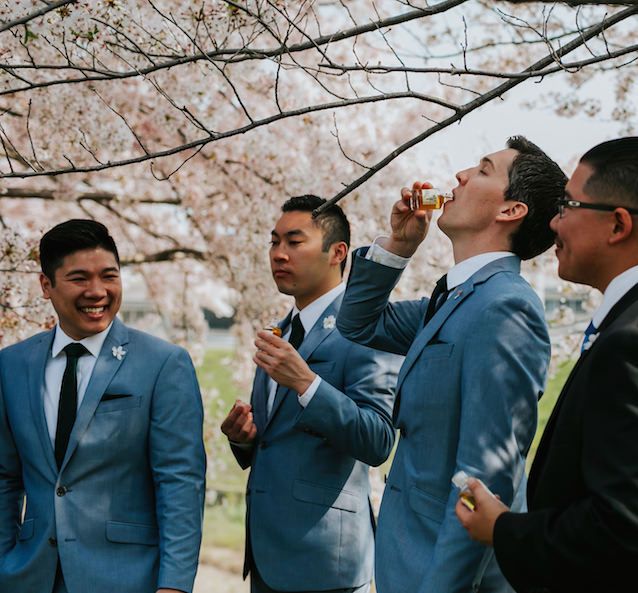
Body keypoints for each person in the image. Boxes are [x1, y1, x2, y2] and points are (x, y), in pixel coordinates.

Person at [456, 137, 638, 592]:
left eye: (569, 205)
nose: (554, 222)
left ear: (618, 224)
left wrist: (502, 530)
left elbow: (625, 532)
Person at [336, 136, 567, 593]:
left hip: (444, 573)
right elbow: (358, 324)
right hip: (407, 559)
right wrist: (398, 247)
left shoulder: (505, 308)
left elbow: (487, 475)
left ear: (511, 210)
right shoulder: (456, 299)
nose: (460, 175)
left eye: (482, 170)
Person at [0, 219, 205, 593]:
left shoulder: (163, 363)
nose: (98, 291)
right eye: (80, 278)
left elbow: (179, 482)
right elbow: (4, 477)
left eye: (109, 276)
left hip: (128, 579)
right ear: (46, 286)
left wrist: (174, 586)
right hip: (28, 577)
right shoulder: (10, 365)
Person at [220, 195, 400, 593]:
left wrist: (307, 384)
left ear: (338, 252)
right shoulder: (280, 332)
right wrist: (245, 439)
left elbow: (377, 439)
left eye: (294, 242)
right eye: (273, 242)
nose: (279, 255)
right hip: (266, 558)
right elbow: (279, 440)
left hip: (326, 563)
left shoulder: (368, 330)